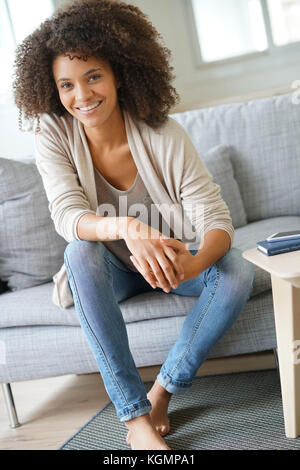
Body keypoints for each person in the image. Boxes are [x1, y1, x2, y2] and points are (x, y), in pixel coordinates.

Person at [13, 0, 254, 450]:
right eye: (66, 84)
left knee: (238, 269)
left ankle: (161, 393)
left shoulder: (164, 133)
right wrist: (127, 227)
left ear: (120, 73)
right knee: (78, 251)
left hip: (170, 262)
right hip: (112, 272)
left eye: (93, 77)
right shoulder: (53, 132)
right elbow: (68, 216)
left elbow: (215, 218)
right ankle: (134, 417)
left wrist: (194, 263)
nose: (81, 96)